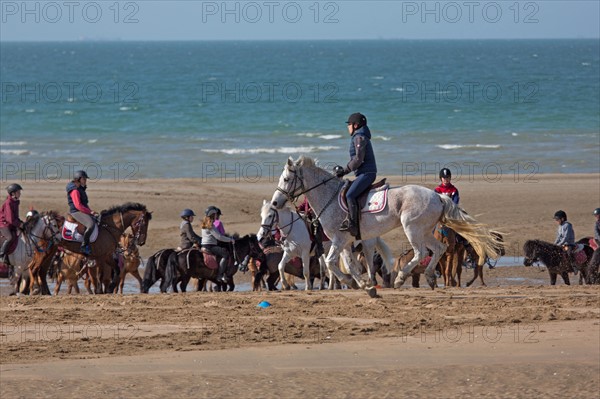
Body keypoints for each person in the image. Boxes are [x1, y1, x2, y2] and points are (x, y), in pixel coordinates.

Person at [334, 112, 377, 237]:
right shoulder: (360, 136)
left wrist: (345, 170)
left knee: (350, 195)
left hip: (367, 174)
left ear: (356, 125)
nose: (348, 127)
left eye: (349, 124)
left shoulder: (360, 137)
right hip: (364, 173)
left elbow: (358, 159)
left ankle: (352, 224)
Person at [66, 170, 98, 255]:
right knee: (90, 224)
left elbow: (84, 204)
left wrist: (92, 212)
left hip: (81, 210)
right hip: (76, 212)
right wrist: (90, 212)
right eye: (84, 179)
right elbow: (78, 206)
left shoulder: (80, 188)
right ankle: (84, 246)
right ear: (79, 179)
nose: (85, 181)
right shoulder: (75, 190)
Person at [201, 206, 234, 283]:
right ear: (213, 215)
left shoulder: (205, 223)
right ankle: (220, 275)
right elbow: (219, 237)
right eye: (215, 214)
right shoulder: (211, 225)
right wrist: (230, 240)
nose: (216, 215)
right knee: (225, 254)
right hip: (210, 246)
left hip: (204, 245)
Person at [0, 184, 24, 264]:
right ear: (13, 193)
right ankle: (1, 255)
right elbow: (9, 219)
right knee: (9, 238)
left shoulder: (16, 202)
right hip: (3, 223)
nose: (20, 193)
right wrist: (19, 224)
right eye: (18, 192)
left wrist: (21, 223)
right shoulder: (8, 202)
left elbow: (16, 216)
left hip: (11, 223)